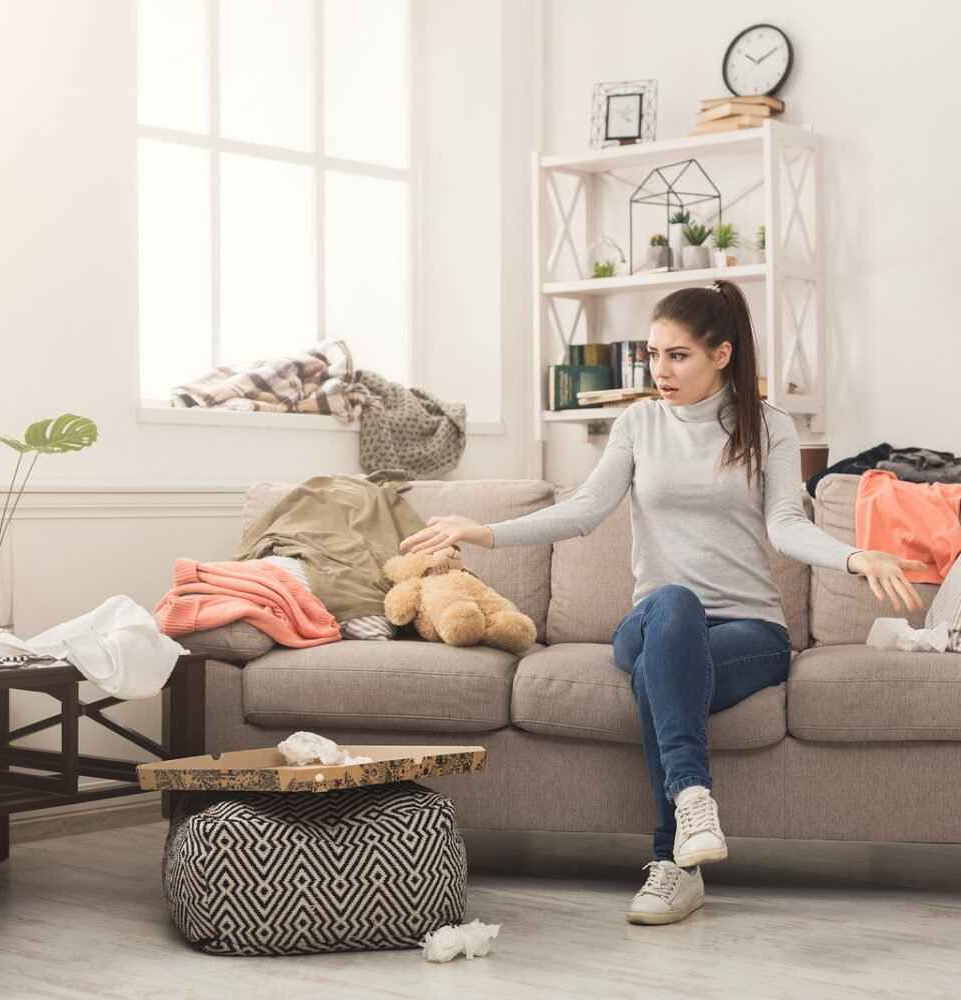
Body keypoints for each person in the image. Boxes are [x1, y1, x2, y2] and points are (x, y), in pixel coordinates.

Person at [398, 280, 928, 926]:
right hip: (654, 618)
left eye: (677, 356)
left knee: (661, 674)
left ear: (722, 355)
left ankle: (676, 869)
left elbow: (787, 524)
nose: (660, 371)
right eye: (653, 355)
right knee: (673, 610)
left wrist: (855, 554)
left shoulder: (768, 428)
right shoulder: (638, 424)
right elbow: (587, 510)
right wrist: (484, 532)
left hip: (749, 633)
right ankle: (693, 801)